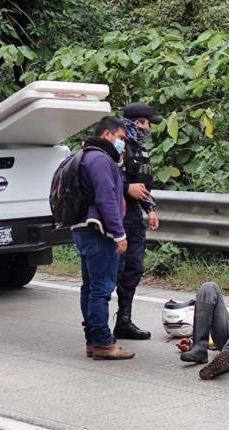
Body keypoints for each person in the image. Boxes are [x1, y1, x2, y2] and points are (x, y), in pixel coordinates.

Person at [71, 116, 135, 360]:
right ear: (107, 135)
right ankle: (102, 343)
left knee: (89, 287)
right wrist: (120, 234)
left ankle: (93, 340)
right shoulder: (100, 159)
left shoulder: (85, 155)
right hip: (98, 232)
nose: (122, 144)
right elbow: (107, 199)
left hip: (83, 229)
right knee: (101, 289)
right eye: (120, 138)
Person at [113, 102, 162, 340]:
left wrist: (150, 209)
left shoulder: (140, 149)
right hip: (114, 215)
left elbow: (142, 185)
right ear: (132, 122)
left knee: (134, 268)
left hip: (133, 216)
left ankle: (124, 321)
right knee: (113, 271)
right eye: (144, 123)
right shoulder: (116, 145)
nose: (148, 129)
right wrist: (126, 188)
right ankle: (98, 330)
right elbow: (103, 177)